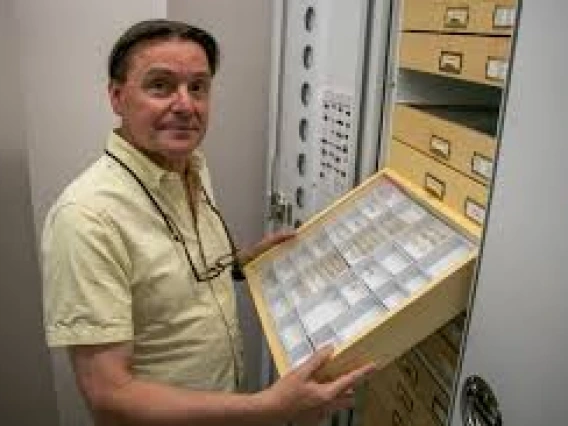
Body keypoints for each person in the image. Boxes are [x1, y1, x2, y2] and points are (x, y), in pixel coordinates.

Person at [42, 19, 374, 426]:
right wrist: (268, 408)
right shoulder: (87, 218)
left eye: (198, 87)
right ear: (117, 96)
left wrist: (242, 263)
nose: (185, 105)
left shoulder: (190, 168)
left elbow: (170, 270)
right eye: (160, 86)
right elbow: (110, 395)